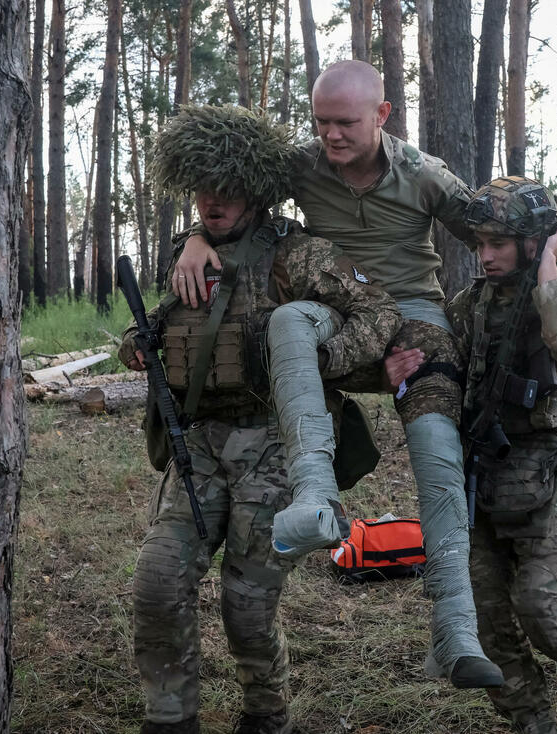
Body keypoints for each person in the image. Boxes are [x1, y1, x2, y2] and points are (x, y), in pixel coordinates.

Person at [172, 60, 557, 689]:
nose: (331, 136)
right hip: (336, 311)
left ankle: (455, 633)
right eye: (321, 122)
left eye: (345, 123)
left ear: (382, 116)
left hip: (415, 320)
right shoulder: (300, 167)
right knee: (288, 320)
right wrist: (192, 239)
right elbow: (233, 204)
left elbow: (497, 227)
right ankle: (315, 498)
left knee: (436, 446)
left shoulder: (423, 176)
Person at [120, 104, 401, 734]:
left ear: (254, 189)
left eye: (228, 190)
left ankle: (266, 714)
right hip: (199, 449)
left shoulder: (294, 255)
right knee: (159, 585)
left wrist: (316, 359)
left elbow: (379, 313)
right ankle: (169, 719)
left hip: (271, 447)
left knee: (246, 609)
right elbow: (166, 331)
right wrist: (138, 347)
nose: (213, 203)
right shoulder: (187, 257)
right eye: (202, 191)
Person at [387, 176, 557, 734]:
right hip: (481, 477)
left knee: (545, 611)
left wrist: (553, 261)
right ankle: (531, 723)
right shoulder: (470, 304)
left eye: (498, 243)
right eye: (479, 243)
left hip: (548, 485)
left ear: (533, 240)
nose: (484, 255)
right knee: (486, 621)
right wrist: (401, 372)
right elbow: (433, 359)